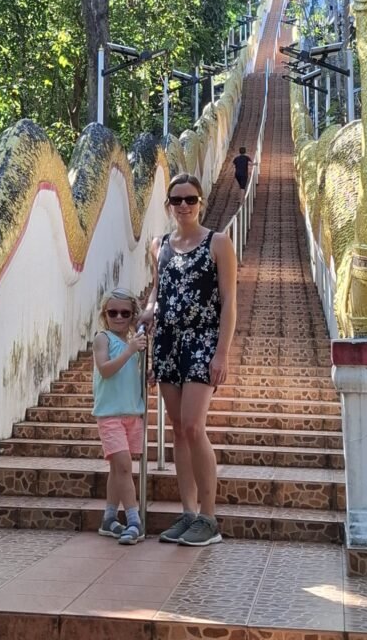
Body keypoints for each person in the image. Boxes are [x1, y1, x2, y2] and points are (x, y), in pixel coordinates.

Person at [139, 172, 237, 546]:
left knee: (194, 426)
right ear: (169, 205)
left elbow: (229, 301)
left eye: (190, 199)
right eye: (177, 200)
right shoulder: (159, 245)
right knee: (178, 428)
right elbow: (157, 291)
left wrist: (221, 353)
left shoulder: (218, 243)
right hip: (167, 340)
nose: (184, 206)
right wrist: (150, 309)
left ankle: (209, 518)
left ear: (201, 202)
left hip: (202, 339)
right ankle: (188, 513)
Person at [92, 288, 148, 545]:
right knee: (124, 466)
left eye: (124, 313)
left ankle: (109, 517)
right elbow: (105, 370)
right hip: (110, 414)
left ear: (132, 315)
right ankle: (134, 521)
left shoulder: (132, 343)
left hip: (131, 413)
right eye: (112, 312)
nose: (118, 317)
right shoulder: (102, 339)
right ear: (105, 314)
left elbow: (129, 375)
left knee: (118, 469)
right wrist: (130, 351)